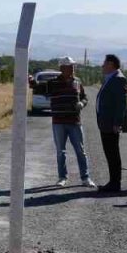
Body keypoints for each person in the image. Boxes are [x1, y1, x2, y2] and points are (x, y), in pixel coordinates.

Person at [29, 57, 95, 188]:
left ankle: (85, 178)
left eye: (73, 66)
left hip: (75, 122)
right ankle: (62, 178)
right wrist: (31, 81)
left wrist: (82, 103)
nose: (72, 69)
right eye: (69, 66)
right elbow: (38, 87)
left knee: (80, 151)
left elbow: (84, 97)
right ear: (62, 68)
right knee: (61, 151)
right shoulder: (53, 83)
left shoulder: (77, 81)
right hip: (58, 122)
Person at [94, 54, 127, 193]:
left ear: (111, 64)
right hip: (106, 123)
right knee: (110, 153)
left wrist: (117, 123)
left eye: (104, 63)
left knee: (113, 153)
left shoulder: (119, 79)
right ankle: (113, 182)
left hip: (111, 124)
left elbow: (121, 104)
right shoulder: (111, 78)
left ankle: (115, 183)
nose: (102, 66)